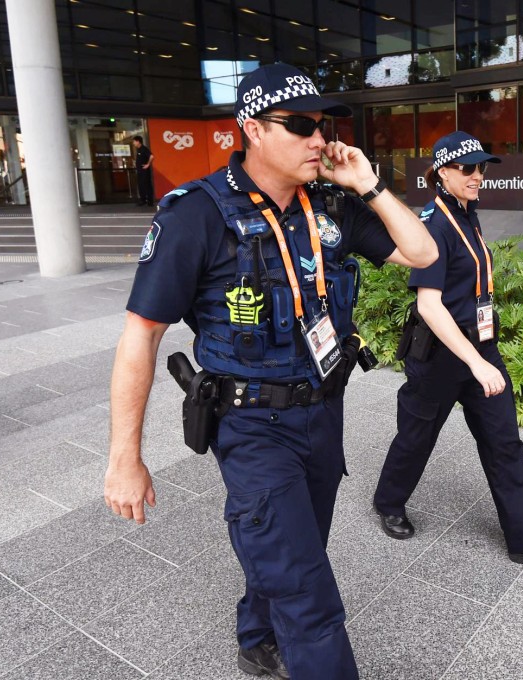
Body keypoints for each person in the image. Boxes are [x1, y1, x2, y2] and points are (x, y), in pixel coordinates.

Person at [104, 63, 437, 680]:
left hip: (323, 412)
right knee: (308, 592)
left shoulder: (332, 205)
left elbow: (423, 252)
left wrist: (368, 184)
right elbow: (140, 336)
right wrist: (125, 457)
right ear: (253, 129)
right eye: (302, 125)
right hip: (251, 424)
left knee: (295, 548)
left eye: (324, 126)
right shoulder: (196, 215)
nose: (320, 139)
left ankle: (258, 640)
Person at [372, 131, 523, 569]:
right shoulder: (435, 224)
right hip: (441, 357)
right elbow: (429, 305)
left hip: (480, 347)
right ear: (442, 173)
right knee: (416, 437)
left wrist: (481, 356)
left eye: (481, 167)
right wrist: (475, 363)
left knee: (504, 443)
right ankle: (388, 502)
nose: (477, 175)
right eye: (467, 168)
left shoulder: (468, 213)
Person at [132, 135, 154, 206]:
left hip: (144, 171)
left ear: (138, 141)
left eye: (134, 141)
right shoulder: (138, 150)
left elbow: (151, 156)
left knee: (147, 185)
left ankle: (150, 201)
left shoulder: (144, 149)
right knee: (141, 185)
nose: (133, 143)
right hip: (140, 171)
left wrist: (148, 164)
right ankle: (143, 200)